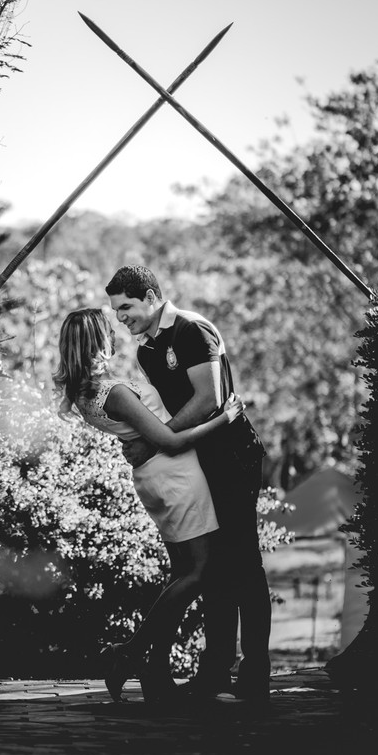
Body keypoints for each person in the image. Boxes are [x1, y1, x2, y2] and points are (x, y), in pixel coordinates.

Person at [54, 308, 245, 704]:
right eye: (108, 330)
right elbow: (170, 441)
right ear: (98, 342)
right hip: (174, 476)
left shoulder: (85, 394)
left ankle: (155, 671)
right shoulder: (114, 392)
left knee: (182, 573)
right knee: (199, 572)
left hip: (153, 477)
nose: (115, 334)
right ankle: (129, 653)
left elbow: (147, 434)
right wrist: (225, 418)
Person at [106, 265, 271, 704]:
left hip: (233, 456)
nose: (121, 318)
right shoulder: (146, 350)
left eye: (126, 307)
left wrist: (156, 442)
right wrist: (158, 441)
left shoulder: (192, 329)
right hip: (197, 461)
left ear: (151, 296)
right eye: (116, 311)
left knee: (244, 563)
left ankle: (256, 673)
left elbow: (209, 400)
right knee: (213, 567)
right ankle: (215, 671)